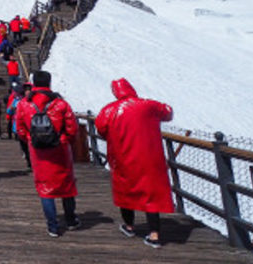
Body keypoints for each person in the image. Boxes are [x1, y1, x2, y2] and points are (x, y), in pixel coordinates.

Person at [95, 78, 174, 248]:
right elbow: (168, 112)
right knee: (150, 194)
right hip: (149, 158)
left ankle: (129, 226)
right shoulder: (148, 105)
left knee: (125, 191)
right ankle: (154, 234)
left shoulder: (108, 110)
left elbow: (101, 129)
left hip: (122, 158)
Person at [15, 70, 80, 237]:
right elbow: (72, 129)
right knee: (66, 185)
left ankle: (53, 226)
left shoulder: (24, 104)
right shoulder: (60, 104)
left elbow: (20, 130)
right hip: (60, 150)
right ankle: (71, 220)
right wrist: (65, 140)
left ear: (34, 83)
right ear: (49, 83)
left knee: (45, 188)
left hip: (38, 152)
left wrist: (30, 139)